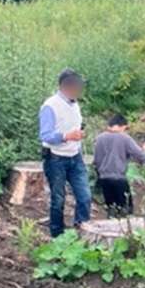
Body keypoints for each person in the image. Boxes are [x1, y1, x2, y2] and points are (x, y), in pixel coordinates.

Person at [39, 69, 91, 238]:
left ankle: (82, 231)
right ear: (66, 86)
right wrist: (67, 136)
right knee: (58, 199)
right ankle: (57, 236)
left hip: (75, 156)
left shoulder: (74, 104)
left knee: (84, 196)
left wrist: (78, 135)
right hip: (55, 158)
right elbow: (45, 135)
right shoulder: (50, 106)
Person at [93, 113, 145, 217]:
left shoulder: (99, 138)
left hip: (104, 179)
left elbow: (97, 160)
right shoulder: (124, 138)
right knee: (125, 209)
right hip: (119, 179)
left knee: (111, 208)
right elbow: (139, 154)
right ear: (122, 126)